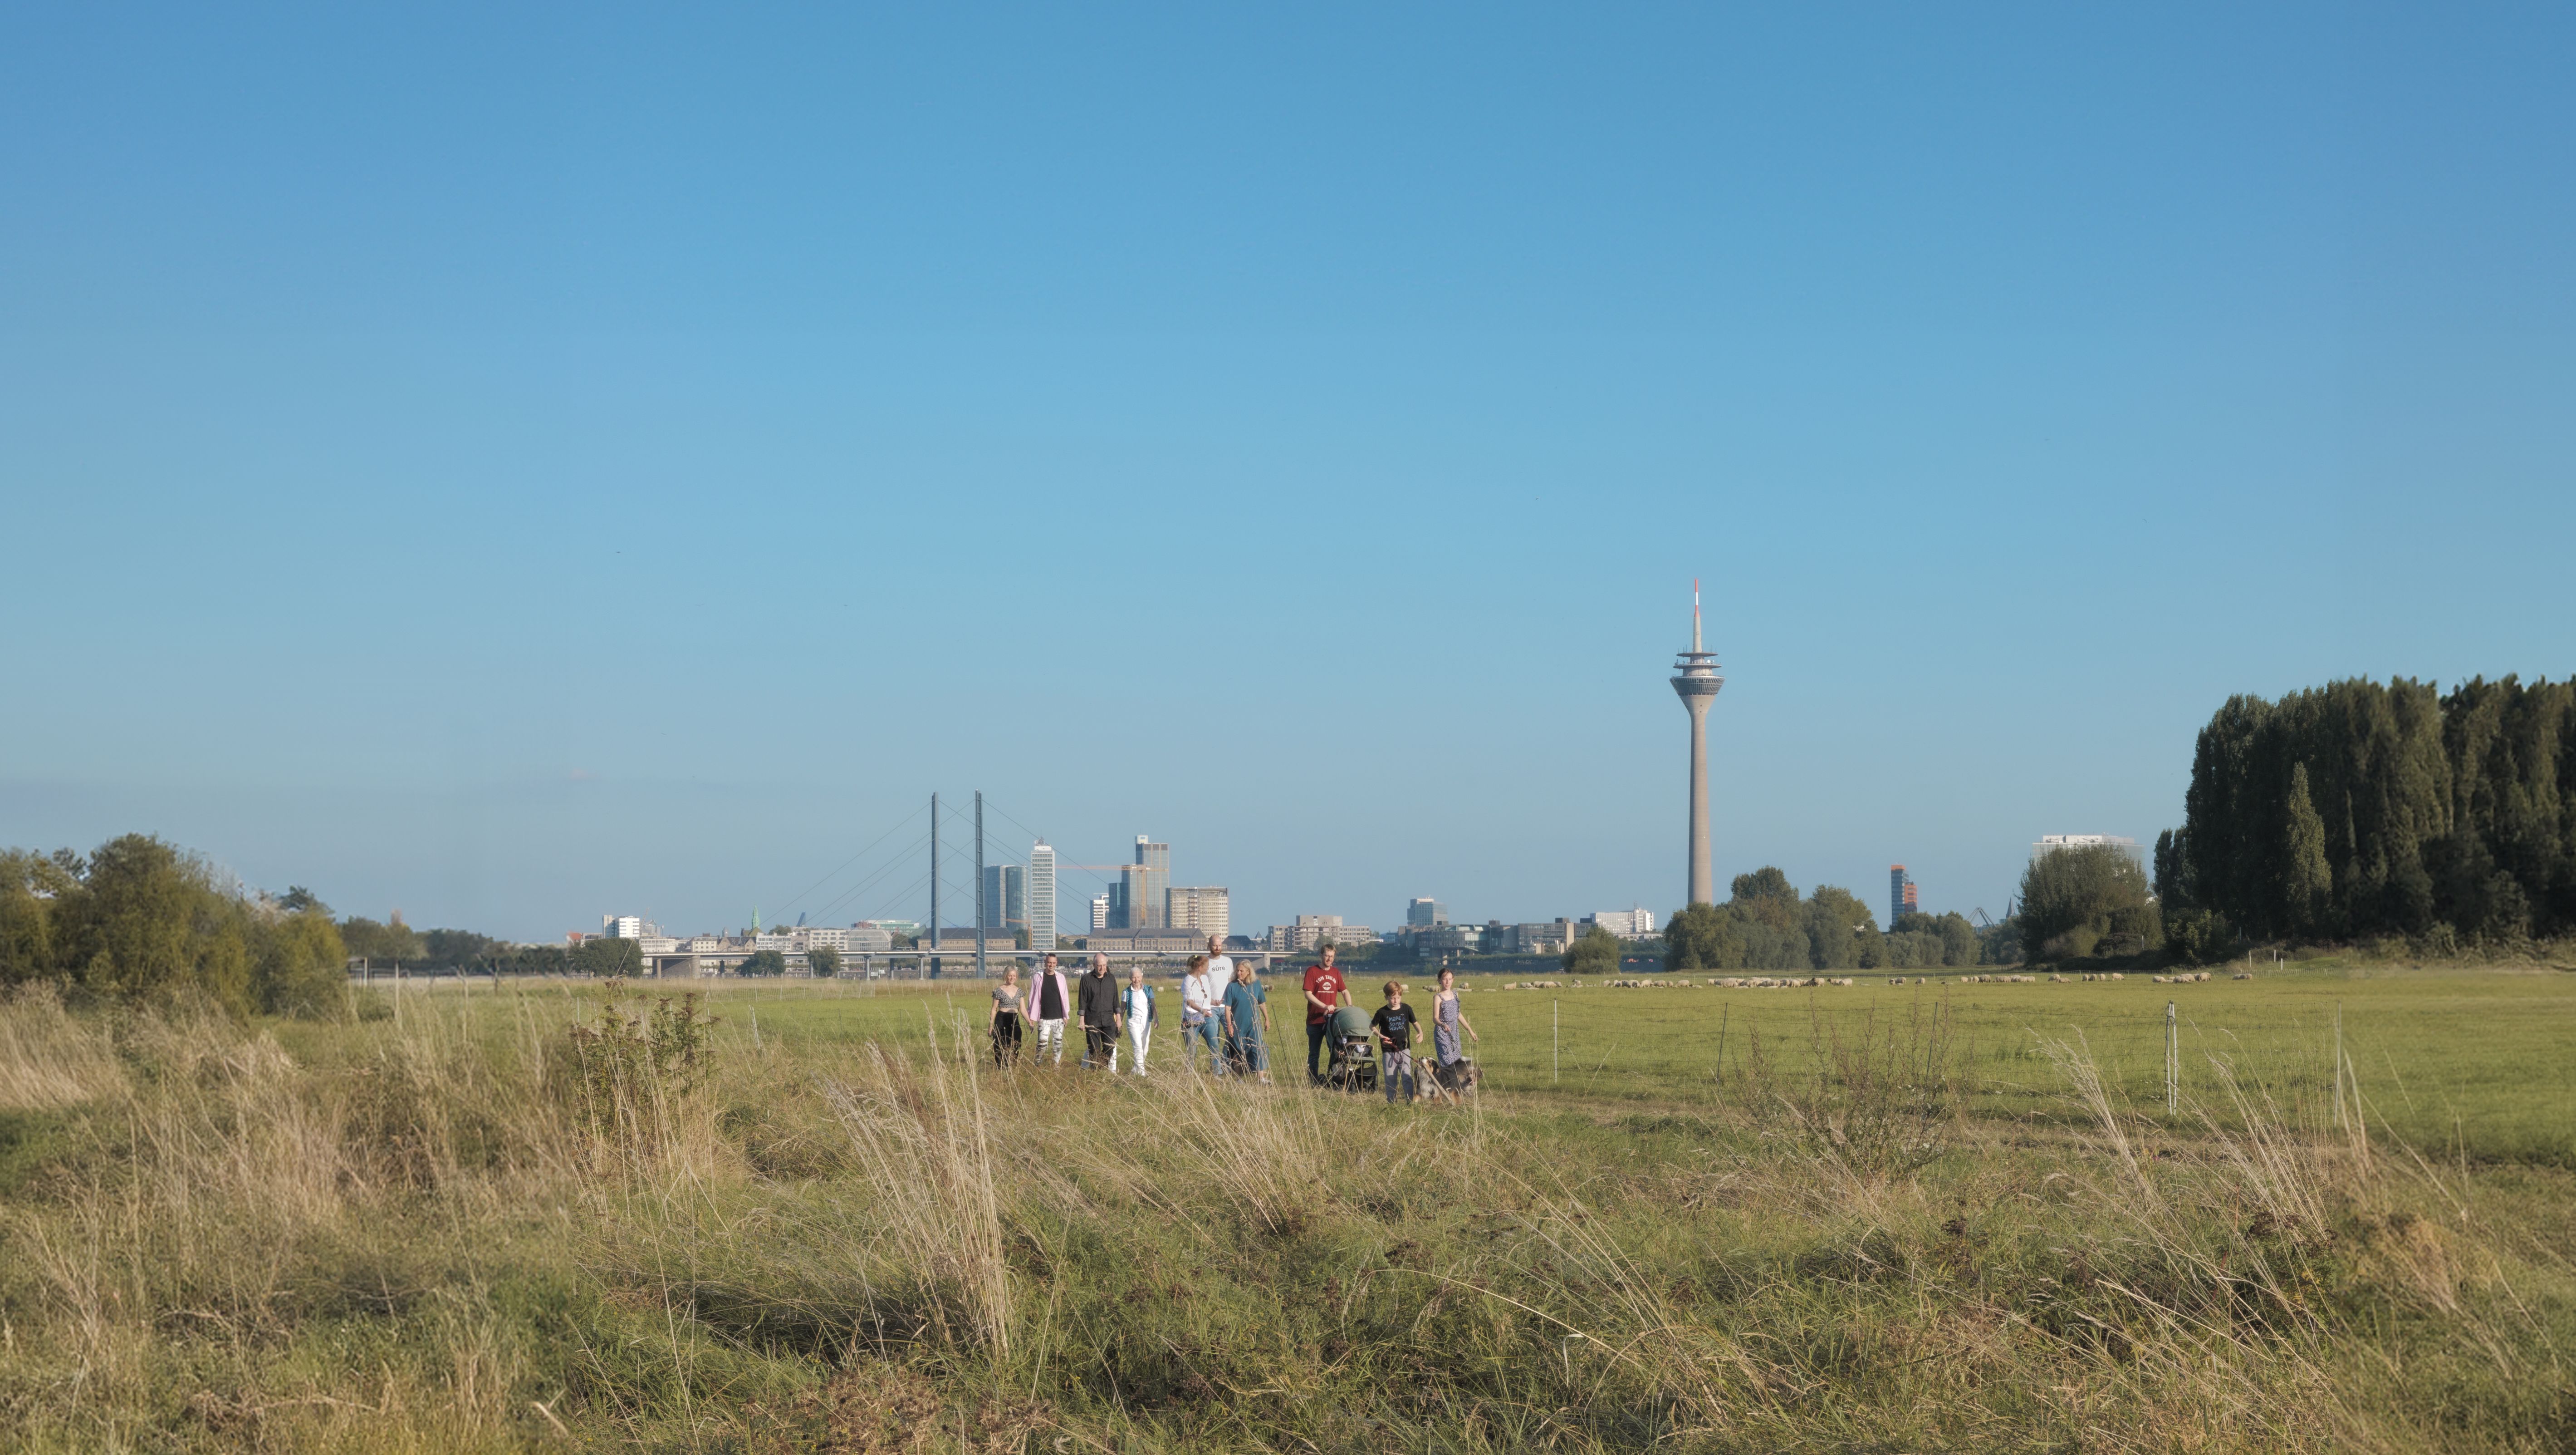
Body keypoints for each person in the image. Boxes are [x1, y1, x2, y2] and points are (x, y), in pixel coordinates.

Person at [1302, 944, 1350, 1086]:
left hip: (1331, 1021)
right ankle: (1313, 1080)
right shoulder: (1312, 971)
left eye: (1332, 956)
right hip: (1315, 1020)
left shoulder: (1336, 973)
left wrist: (1349, 1007)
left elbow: (1345, 991)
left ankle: (1337, 1079)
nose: (1329, 959)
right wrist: (1324, 1006)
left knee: (1336, 1051)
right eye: (1327, 956)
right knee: (1314, 1053)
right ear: (1321, 955)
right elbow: (1308, 994)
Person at [1219, 957, 1273, 1083]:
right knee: (1238, 1050)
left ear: (1249, 972)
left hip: (1254, 1025)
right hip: (1237, 1024)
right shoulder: (1231, 986)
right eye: (1237, 971)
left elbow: (1262, 1003)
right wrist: (1229, 1025)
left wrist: (1267, 1019)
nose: (1239, 973)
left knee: (1258, 1049)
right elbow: (1227, 1008)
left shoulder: (1257, 984)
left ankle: (1261, 1078)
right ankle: (1238, 1078)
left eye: (1242, 971)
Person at [1371, 980, 1423, 1106]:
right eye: (1393, 998)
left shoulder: (1406, 1009)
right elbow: (1372, 1026)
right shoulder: (1382, 1013)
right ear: (1386, 997)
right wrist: (1382, 1036)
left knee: (1407, 1077)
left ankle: (1411, 1103)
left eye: (1398, 998)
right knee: (1390, 1079)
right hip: (1389, 1052)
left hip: (1405, 1050)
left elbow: (1415, 1023)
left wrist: (1420, 1032)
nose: (1396, 1001)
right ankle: (1392, 1104)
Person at [1428, 965, 1478, 1094]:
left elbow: (1458, 1015)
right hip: (1443, 1033)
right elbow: (1435, 1018)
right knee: (1447, 1062)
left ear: (1453, 980)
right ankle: (1448, 1090)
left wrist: (1470, 1030)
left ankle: (1461, 1089)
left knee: (1458, 1062)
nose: (1448, 982)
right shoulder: (1438, 997)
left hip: (1454, 1032)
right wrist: (1442, 1024)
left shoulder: (1455, 994)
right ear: (1439, 981)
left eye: (1450, 979)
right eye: (1445, 979)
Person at [1180, 953, 1225, 1074]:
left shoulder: (1205, 979)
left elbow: (1205, 997)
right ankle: (1189, 1074)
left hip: (1207, 1017)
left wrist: (1214, 1002)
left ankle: (1216, 1073)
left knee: (1214, 1044)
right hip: (1191, 1018)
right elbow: (1188, 1001)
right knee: (1192, 1050)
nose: (1208, 968)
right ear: (1200, 967)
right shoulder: (1188, 980)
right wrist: (1201, 1010)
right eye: (1207, 966)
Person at [1077, 952, 1122, 1070]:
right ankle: (1095, 1075)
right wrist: (1082, 1020)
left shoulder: (1111, 979)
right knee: (1094, 1051)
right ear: (1094, 965)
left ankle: (1101, 1069)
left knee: (1110, 1047)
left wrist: (1118, 1017)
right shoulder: (1086, 980)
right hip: (1093, 1020)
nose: (1102, 968)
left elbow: (1115, 999)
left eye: (1104, 965)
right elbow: (1082, 1001)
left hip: (1109, 1021)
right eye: (1099, 966)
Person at [1025, 953, 1073, 1065]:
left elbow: (1065, 997)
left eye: (1054, 963)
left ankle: (1056, 1068)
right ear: (1045, 963)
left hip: (1059, 1018)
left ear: (1056, 964)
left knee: (1058, 1045)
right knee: (1042, 1045)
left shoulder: (1061, 978)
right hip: (1043, 1018)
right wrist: (1030, 1015)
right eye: (1049, 963)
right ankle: (1038, 1065)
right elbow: (1032, 997)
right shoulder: (1038, 977)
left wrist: (1066, 1015)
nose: (1051, 965)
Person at [1120, 964, 1156, 1075]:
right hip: (1133, 1022)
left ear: (1142, 977)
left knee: (1145, 1048)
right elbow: (1122, 1009)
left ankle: (1135, 1071)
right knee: (1138, 1047)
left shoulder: (1148, 989)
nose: (1137, 980)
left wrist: (1157, 1019)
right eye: (1134, 978)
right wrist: (1119, 1022)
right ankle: (1142, 1074)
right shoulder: (1126, 992)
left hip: (1146, 1021)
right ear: (1130, 978)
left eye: (1138, 977)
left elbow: (1153, 1005)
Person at [989, 964, 1025, 1067]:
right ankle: (1000, 1067)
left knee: (1016, 1042)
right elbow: (994, 1009)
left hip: (1015, 1019)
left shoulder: (1020, 991)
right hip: (1002, 1018)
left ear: (1016, 977)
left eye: (1014, 976)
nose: (1012, 978)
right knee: (1001, 1043)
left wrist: (1030, 1023)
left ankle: (1013, 1066)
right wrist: (991, 1026)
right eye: (1010, 976)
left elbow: (1023, 1009)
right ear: (1006, 976)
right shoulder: (999, 991)